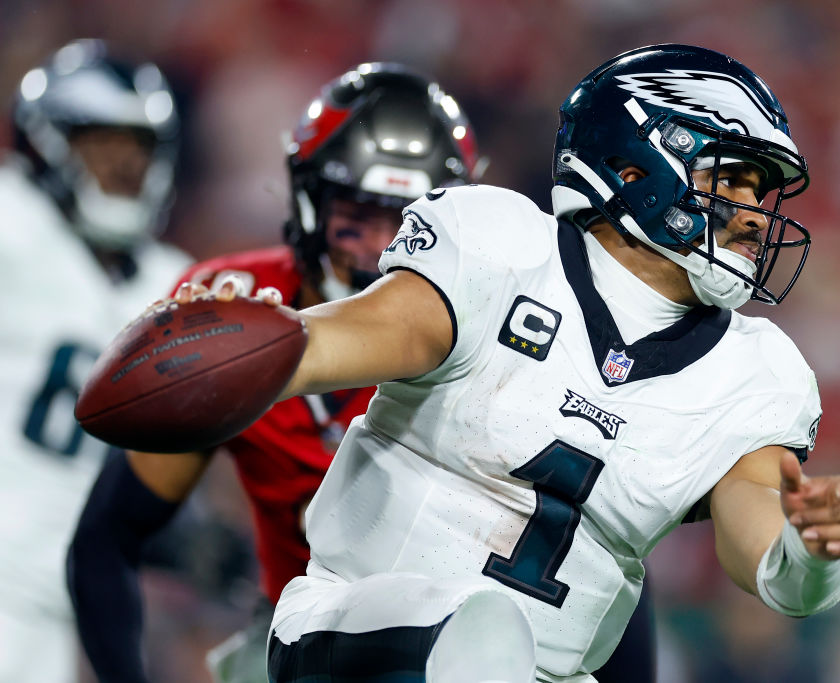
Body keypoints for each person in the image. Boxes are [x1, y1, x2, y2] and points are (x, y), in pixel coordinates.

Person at [145, 44, 840, 682]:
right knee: (480, 633)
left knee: (495, 651)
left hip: (538, 672)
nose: (752, 213)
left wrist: (812, 552)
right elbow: (343, 338)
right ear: (637, 161)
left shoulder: (753, 372)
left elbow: (769, 555)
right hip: (358, 631)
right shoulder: (500, 247)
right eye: (733, 179)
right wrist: (248, 347)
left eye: (759, 192)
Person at [66, 63, 657, 683]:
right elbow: (109, 535)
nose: (380, 247)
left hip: (486, 655)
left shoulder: (520, 327)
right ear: (307, 200)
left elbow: (601, 561)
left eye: (408, 221)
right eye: (356, 215)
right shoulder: (242, 314)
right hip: (308, 643)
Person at [0, 39, 192, 682]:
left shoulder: (175, 284)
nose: (124, 161)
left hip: (58, 605)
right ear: (49, 142)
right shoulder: (13, 226)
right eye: (101, 139)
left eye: (140, 143)